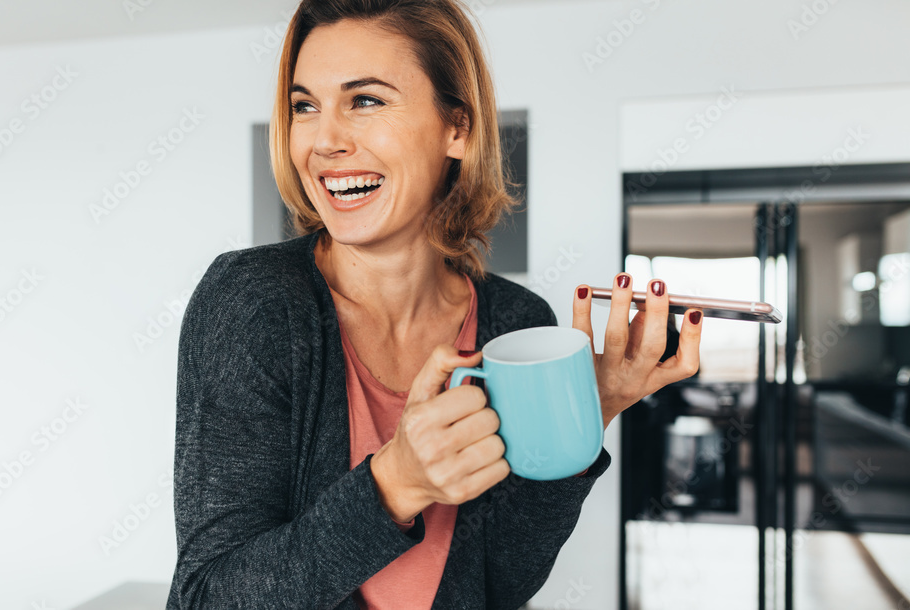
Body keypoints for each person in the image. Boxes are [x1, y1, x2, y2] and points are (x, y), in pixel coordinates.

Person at [165, 1, 703, 608]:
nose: (324, 140)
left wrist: (584, 416)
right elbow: (207, 598)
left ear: (458, 128)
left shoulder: (515, 323)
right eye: (305, 106)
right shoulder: (253, 302)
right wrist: (394, 484)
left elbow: (497, 582)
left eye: (365, 100)